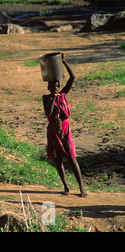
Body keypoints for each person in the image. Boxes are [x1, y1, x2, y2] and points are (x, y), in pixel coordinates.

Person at [42, 52, 87, 197]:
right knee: (58, 159)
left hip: (66, 129)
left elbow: (72, 77)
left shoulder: (63, 95)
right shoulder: (47, 98)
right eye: (53, 86)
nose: (55, 88)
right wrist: (54, 99)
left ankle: (81, 188)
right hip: (54, 129)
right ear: (48, 87)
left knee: (72, 158)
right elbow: (48, 114)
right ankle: (66, 187)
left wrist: (64, 62)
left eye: (57, 86)